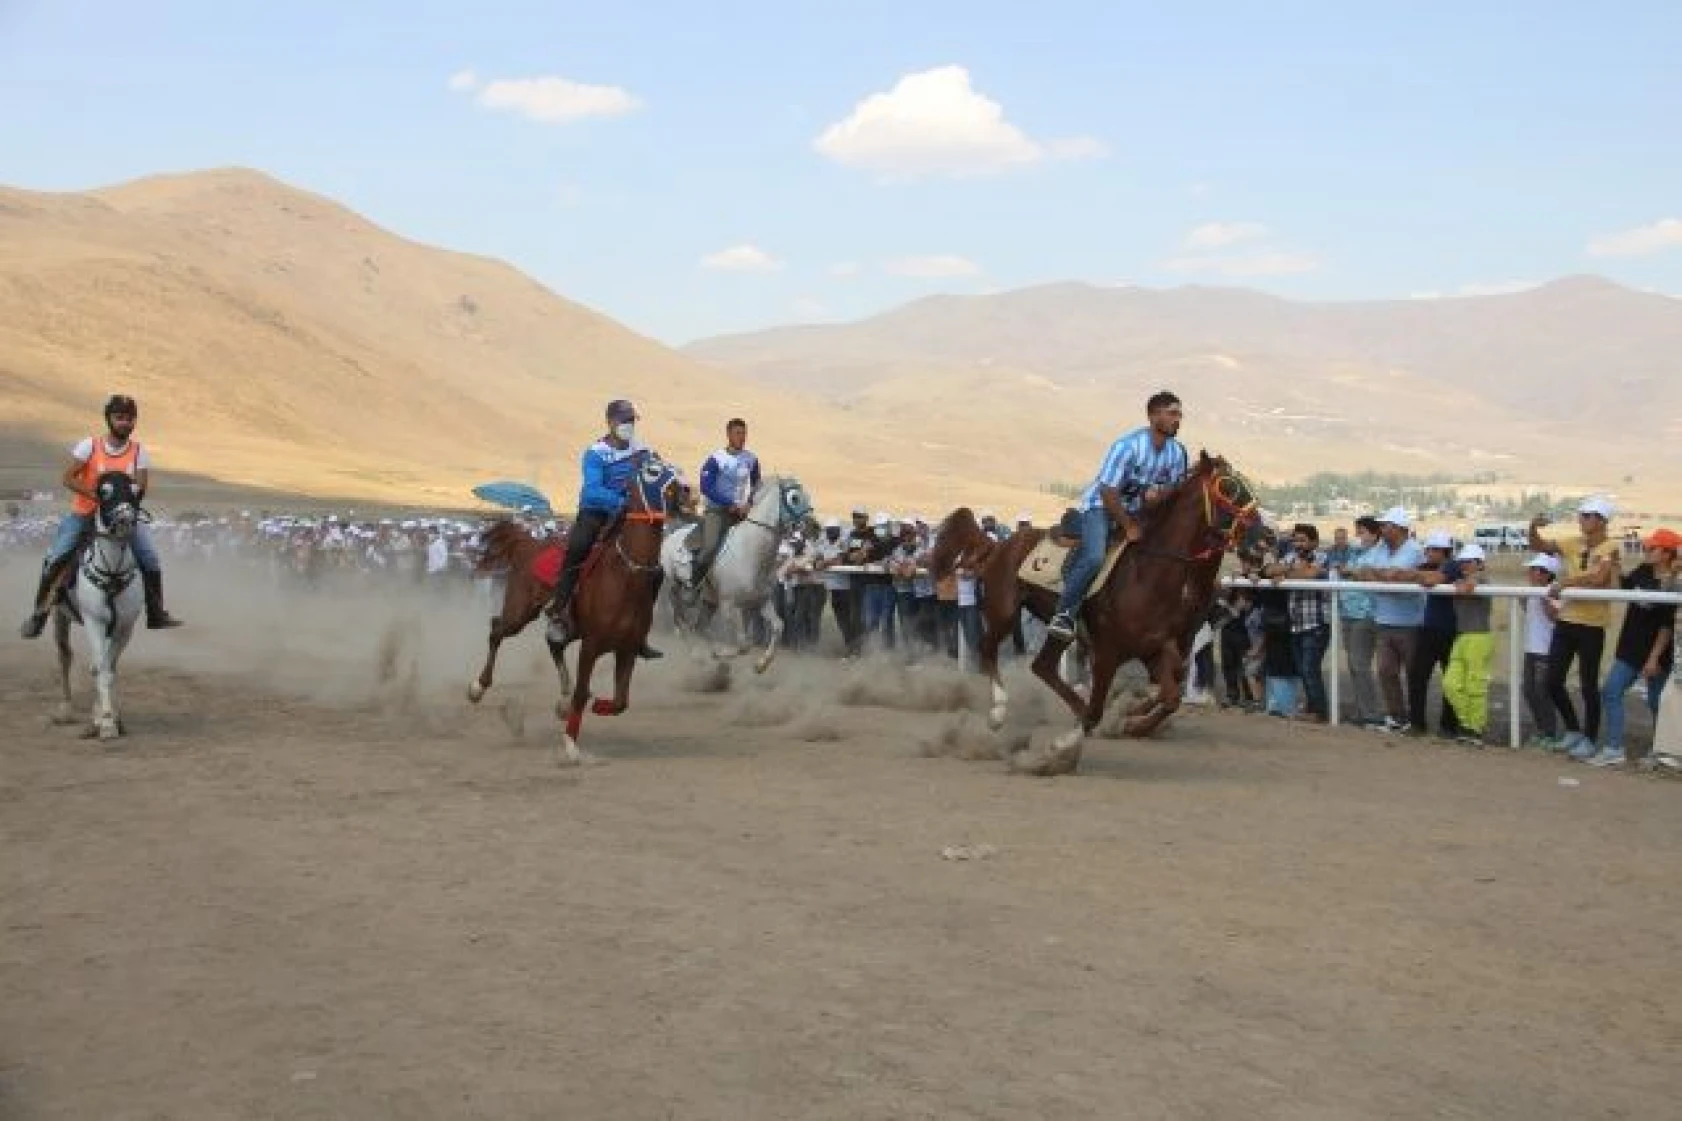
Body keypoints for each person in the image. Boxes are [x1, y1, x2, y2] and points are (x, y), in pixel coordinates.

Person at [20, 394, 184, 638]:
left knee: (149, 557)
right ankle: (40, 613)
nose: (125, 423)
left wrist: (124, 504)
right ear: (109, 419)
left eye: (130, 419)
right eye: (119, 418)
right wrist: (98, 497)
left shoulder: (139, 452)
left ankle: (156, 612)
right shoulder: (90, 446)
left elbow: (141, 487)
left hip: (124, 516)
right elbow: (68, 477)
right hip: (84, 513)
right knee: (57, 555)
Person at [1047, 391, 1189, 641]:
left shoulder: (1177, 453)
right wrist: (1128, 525)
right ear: (1153, 416)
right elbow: (1107, 490)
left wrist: (1161, 494)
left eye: (1180, 414)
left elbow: (1175, 488)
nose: (1178, 419)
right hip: (1101, 506)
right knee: (1094, 557)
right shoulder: (1127, 446)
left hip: (1139, 511)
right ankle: (1065, 613)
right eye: (1172, 414)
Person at [543, 399, 662, 659]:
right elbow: (592, 489)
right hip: (596, 512)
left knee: (656, 568)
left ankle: (640, 631)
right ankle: (560, 612)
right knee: (578, 547)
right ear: (610, 422)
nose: (629, 426)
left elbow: (657, 474)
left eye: (632, 421)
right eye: (624, 421)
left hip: (630, 517)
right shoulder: (595, 453)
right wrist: (620, 502)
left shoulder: (642, 450)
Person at [686, 417, 761, 593]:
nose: (742, 437)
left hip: (742, 513)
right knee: (711, 546)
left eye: (744, 434)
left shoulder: (751, 459)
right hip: (717, 511)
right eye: (738, 433)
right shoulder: (716, 459)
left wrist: (750, 503)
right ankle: (692, 584)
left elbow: (757, 485)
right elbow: (706, 487)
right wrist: (729, 503)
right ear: (728, 435)